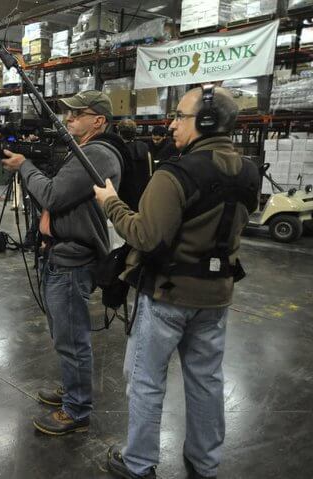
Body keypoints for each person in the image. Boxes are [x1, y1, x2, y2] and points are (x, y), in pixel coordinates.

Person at [94, 86, 259, 479]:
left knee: (146, 380)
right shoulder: (249, 171)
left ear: (203, 121)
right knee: (206, 381)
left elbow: (147, 236)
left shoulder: (176, 173)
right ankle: (205, 462)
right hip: (216, 295)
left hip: (167, 295)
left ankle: (138, 463)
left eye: (180, 116)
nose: (171, 124)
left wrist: (111, 203)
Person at [2, 90, 124, 435]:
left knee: (72, 339)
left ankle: (77, 408)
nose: (68, 119)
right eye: (68, 114)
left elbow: (53, 194)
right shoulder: (83, 152)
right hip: (59, 254)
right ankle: (72, 389)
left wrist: (25, 166)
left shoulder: (98, 155)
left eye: (76, 114)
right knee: (63, 334)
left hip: (73, 259)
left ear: (98, 120)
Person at [117, 119, 152, 211]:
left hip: (124, 194)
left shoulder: (119, 149)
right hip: (143, 193)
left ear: (119, 133)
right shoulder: (144, 147)